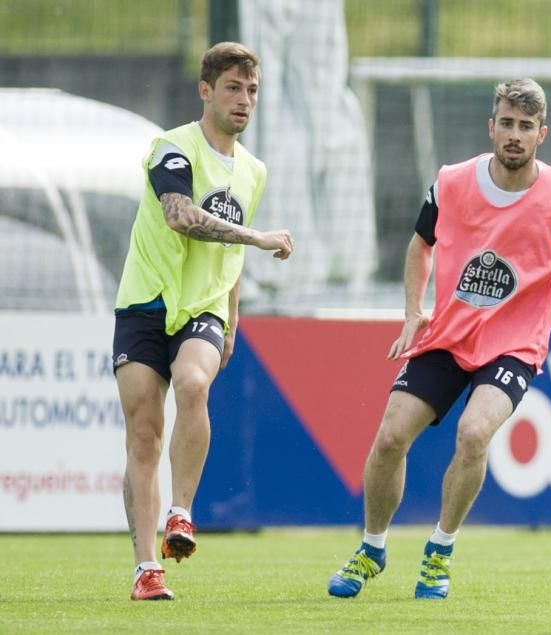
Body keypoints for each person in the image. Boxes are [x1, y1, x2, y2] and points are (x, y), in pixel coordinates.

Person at [327, 78, 551, 600]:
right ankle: (372, 549)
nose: (514, 135)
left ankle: (439, 553)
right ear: (491, 126)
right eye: (507, 123)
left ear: (541, 134)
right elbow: (419, 245)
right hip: (449, 337)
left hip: (514, 346)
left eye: (526, 126)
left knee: (474, 433)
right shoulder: (452, 182)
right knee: (389, 438)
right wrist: (413, 311)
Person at [114, 41, 294, 601]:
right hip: (144, 303)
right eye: (234, 88)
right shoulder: (172, 148)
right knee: (144, 436)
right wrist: (258, 237)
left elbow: (228, 258)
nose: (245, 100)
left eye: (253, 90)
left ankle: (182, 512)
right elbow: (182, 217)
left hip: (205, 309)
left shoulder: (253, 171)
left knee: (193, 382)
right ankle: (147, 569)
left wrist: (233, 314)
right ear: (206, 91)